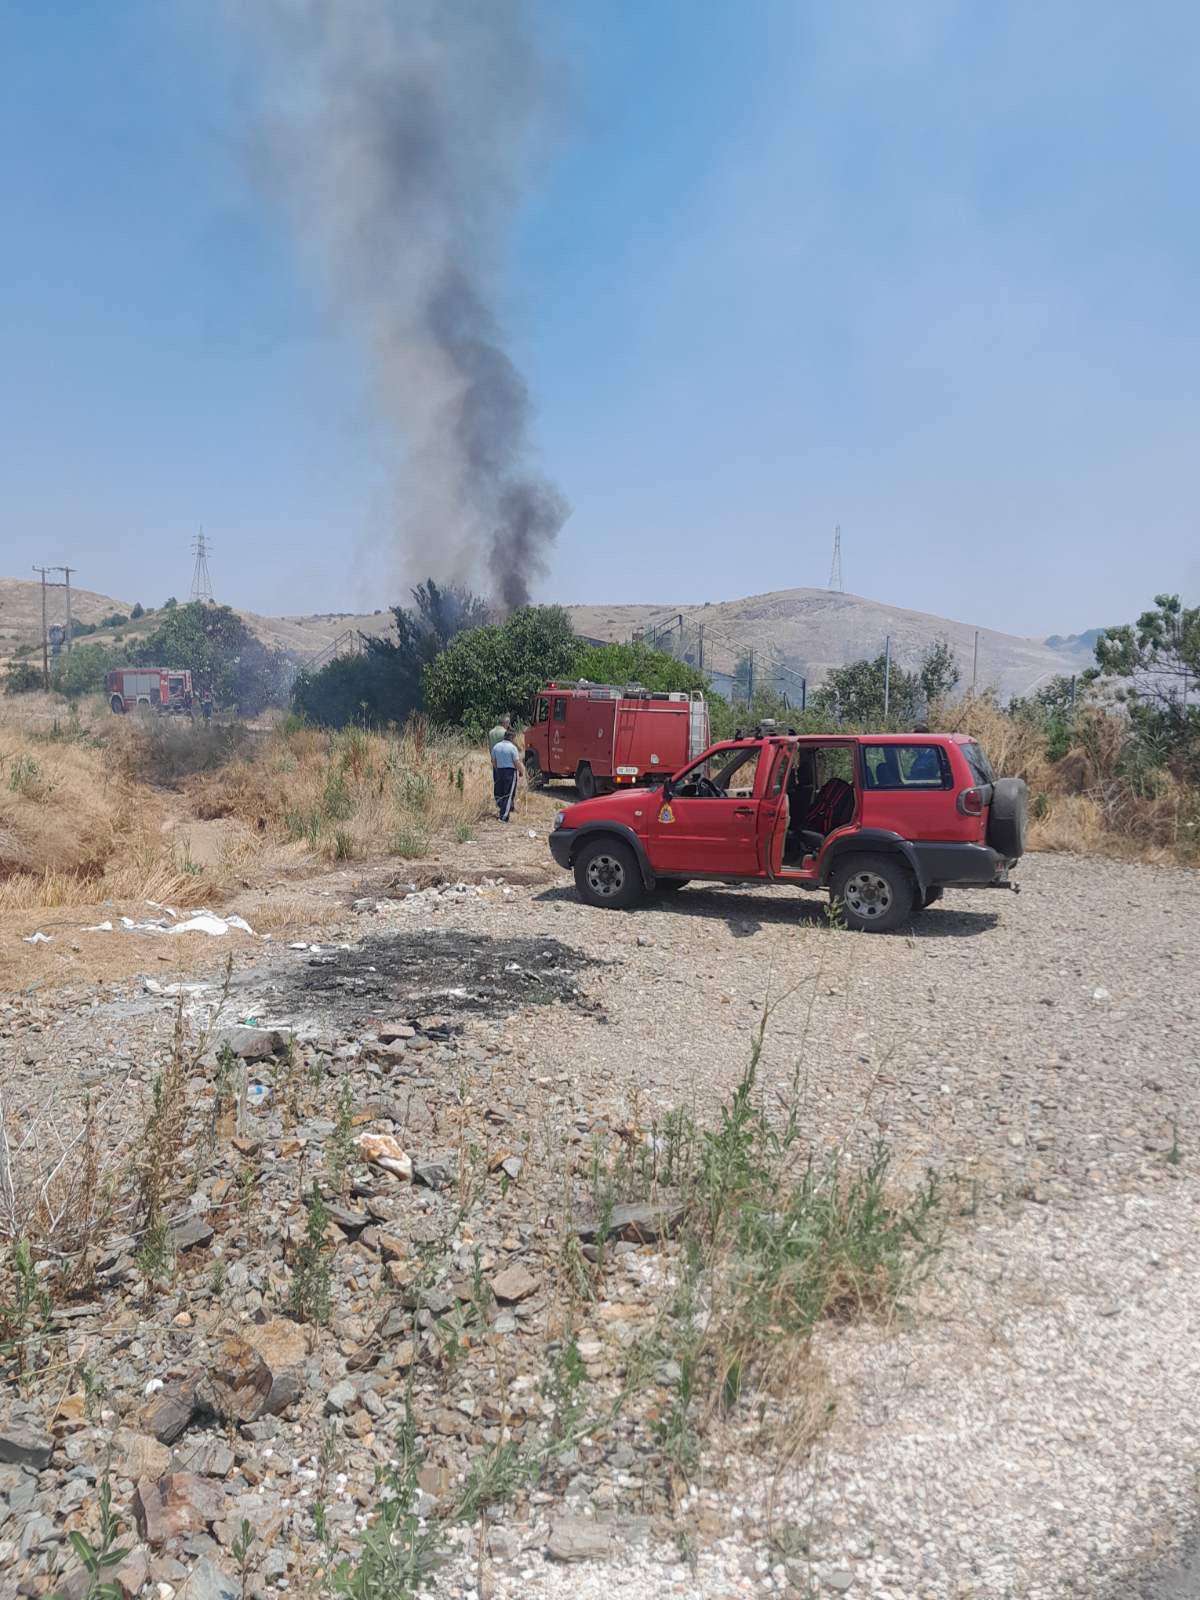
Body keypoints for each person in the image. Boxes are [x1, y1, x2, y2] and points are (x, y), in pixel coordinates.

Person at [491, 729, 521, 822]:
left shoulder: (496, 746)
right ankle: (504, 816)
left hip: (499, 770)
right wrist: (521, 771)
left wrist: (497, 769)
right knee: (508, 794)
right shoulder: (512, 748)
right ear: (512, 737)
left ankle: (502, 808)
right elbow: (516, 762)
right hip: (510, 771)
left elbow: (493, 760)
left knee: (499, 792)